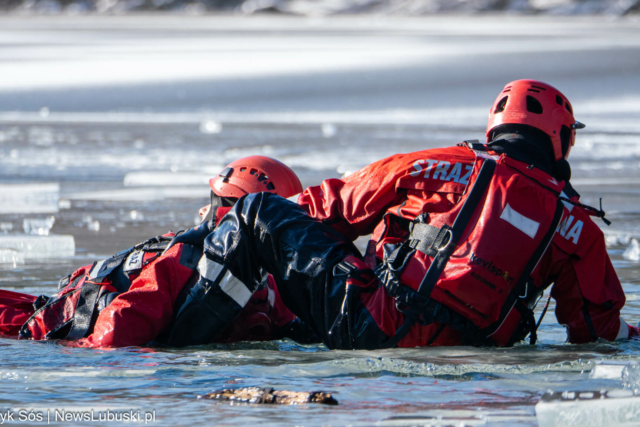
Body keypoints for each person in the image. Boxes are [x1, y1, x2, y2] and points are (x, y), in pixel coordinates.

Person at [169, 79, 639, 349]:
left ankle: (177, 344)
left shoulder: (434, 164)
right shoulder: (577, 228)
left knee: (254, 211)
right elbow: (596, 329)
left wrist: (235, 230)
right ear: (559, 138)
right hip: (470, 359)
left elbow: (331, 208)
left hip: (368, 324)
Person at [1, 156, 314, 348]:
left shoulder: (267, 279)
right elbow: (117, 328)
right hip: (52, 324)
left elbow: (291, 325)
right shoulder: (187, 259)